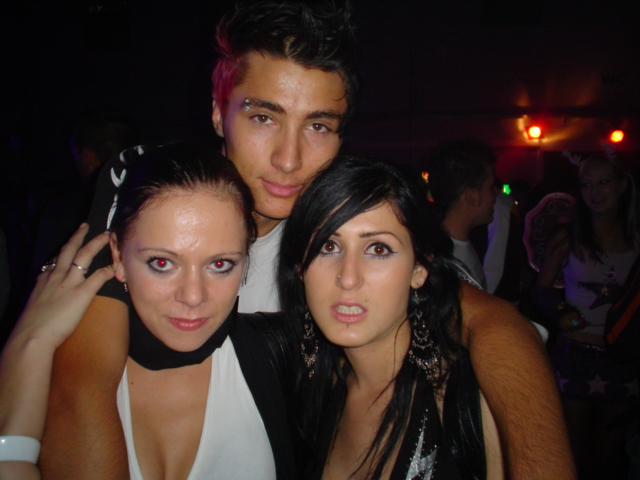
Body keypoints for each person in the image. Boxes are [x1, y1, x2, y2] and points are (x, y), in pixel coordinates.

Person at [42, 2, 574, 479]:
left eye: (318, 126)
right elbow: (82, 380)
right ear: (218, 112)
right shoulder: (151, 188)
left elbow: (483, 317)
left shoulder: (334, 224)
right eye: (263, 117)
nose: (289, 159)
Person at [12, 143, 295, 479]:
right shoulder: (40, 384)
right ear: (118, 256)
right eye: (162, 263)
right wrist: (33, 341)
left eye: (220, 264)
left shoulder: (286, 358)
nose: (193, 297)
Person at [279, 155, 503, 479]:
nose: (348, 278)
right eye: (328, 246)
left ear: (419, 268)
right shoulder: (310, 389)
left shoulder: (472, 404)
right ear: (301, 267)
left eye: (378, 249)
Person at [534, 154, 639, 479]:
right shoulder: (568, 236)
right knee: (571, 455)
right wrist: (562, 313)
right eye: (587, 184)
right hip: (573, 355)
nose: (595, 191)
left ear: (622, 185)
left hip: (622, 358)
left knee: (609, 458)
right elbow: (541, 290)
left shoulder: (636, 238)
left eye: (604, 182)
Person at [424, 138, 499, 291]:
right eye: (491, 187)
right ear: (471, 197)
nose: (496, 193)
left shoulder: (451, 245)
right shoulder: (444, 263)